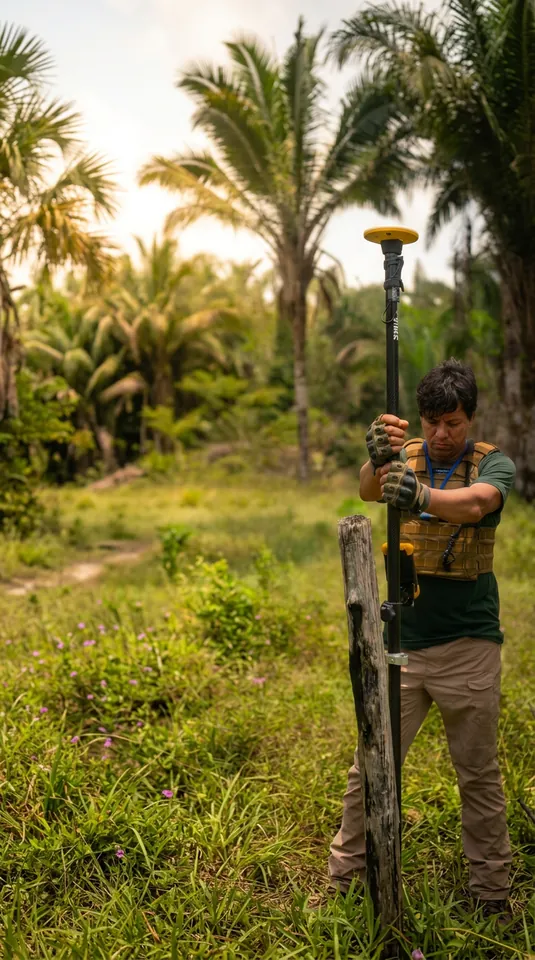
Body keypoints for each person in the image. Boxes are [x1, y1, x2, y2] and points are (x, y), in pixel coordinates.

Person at [328, 359, 515, 923]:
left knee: (478, 774)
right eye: (431, 421)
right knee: (372, 763)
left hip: (469, 646)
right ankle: (345, 876)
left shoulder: (493, 465)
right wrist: (377, 455)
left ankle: (491, 892)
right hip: (402, 645)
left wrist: (421, 497)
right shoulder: (405, 459)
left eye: (452, 423)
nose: (439, 435)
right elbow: (366, 488)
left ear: (470, 420)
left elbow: (479, 504)